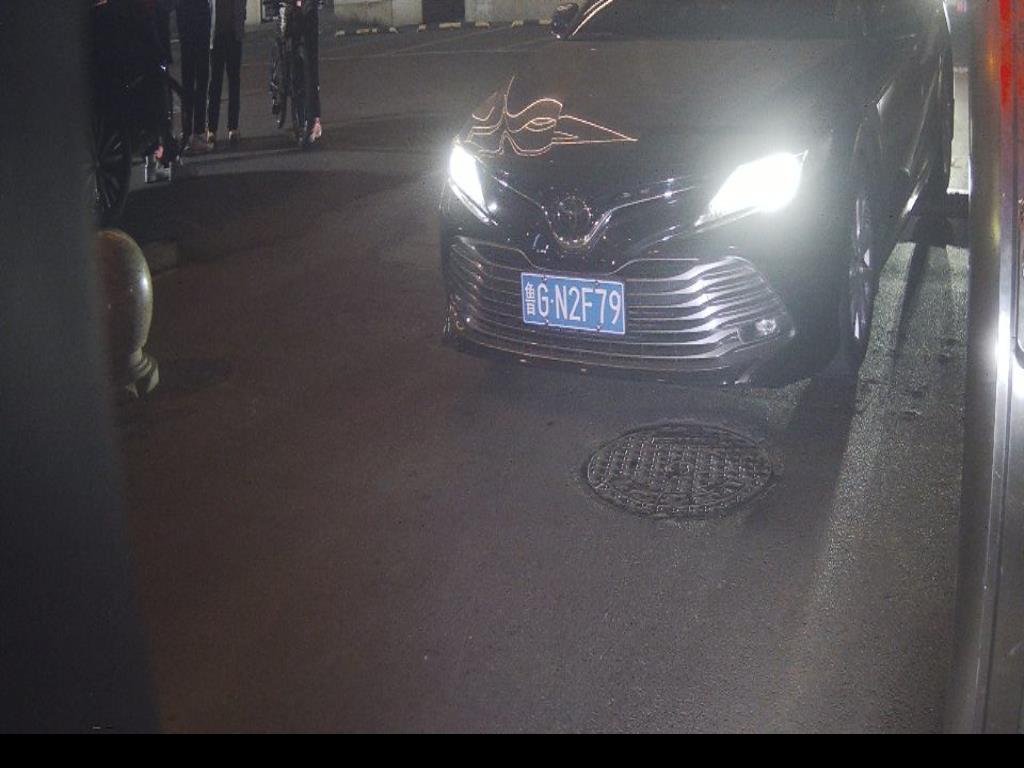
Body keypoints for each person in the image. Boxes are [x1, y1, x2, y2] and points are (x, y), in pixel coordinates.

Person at [206, 0, 246, 149]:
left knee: (231, 81)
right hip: (217, 33)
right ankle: (213, 128)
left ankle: (231, 127)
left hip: (232, 32)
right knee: (216, 83)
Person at [177, 0, 212, 153]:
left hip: (185, 15)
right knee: (201, 79)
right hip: (199, 16)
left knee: (188, 79)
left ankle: (187, 132)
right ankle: (197, 133)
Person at [301, 0, 322, 143]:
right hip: (292, 12)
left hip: (307, 12)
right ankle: (313, 119)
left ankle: (314, 118)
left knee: (311, 66)